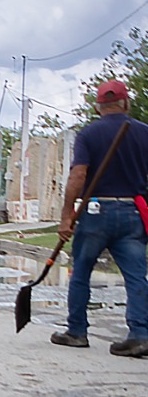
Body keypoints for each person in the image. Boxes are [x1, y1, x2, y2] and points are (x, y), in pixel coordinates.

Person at [50, 79, 148, 357]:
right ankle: (140, 334)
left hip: (96, 211)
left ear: (98, 106)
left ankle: (77, 331)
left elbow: (78, 175)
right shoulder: (144, 132)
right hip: (132, 212)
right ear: (126, 103)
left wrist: (67, 215)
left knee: (81, 272)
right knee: (136, 276)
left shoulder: (89, 134)